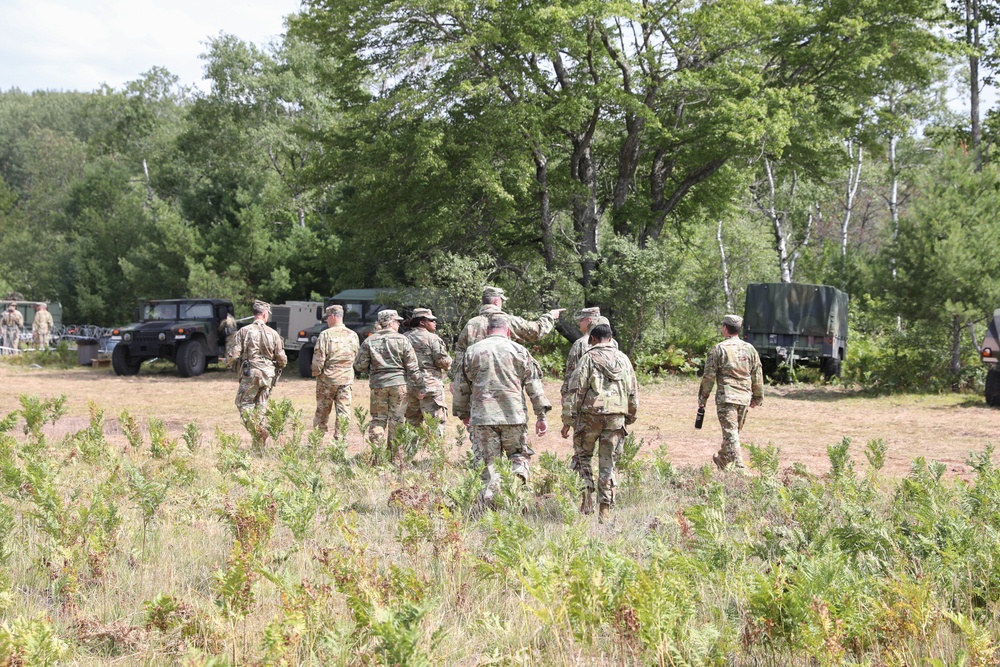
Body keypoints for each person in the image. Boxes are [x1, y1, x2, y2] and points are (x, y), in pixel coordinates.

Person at [453, 313, 551, 508]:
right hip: (513, 416)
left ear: (488, 331)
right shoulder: (520, 351)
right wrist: (541, 415)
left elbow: (461, 387)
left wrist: (463, 413)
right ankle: (517, 486)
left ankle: (491, 505)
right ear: (507, 330)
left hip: (483, 417)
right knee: (518, 455)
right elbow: (534, 386)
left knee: (488, 462)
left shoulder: (472, 351)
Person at [562, 323, 638, 521]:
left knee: (582, 457)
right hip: (616, 417)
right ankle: (604, 510)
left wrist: (568, 420)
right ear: (611, 338)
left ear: (592, 339)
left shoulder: (587, 358)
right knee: (608, 464)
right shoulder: (624, 359)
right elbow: (633, 391)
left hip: (590, 415)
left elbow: (576, 390)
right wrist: (629, 415)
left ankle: (586, 500)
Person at [353, 309, 426, 454]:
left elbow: (359, 365)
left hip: (378, 385)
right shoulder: (402, 340)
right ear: (391, 322)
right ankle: (395, 457)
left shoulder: (370, 340)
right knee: (397, 420)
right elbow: (412, 367)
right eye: (397, 321)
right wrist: (421, 387)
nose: (399, 324)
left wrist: (374, 370)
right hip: (399, 385)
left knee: (378, 420)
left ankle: (378, 456)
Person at [452, 286, 564, 379]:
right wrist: (550, 316)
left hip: (476, 383)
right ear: (497, 301)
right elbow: (536, 331)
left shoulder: (471, 324)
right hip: (504, 380)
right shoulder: (508, 320)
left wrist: (455, 378)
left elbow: (460, 352)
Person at [698, 314, 764, 471]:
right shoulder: (750, 349)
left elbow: (709, 377)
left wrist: (702, 398)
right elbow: (757, 374)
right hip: (744, 398)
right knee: (732, 433)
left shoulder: (719, 349)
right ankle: (724, 459)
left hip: (727, 398)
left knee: (731, 433)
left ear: (725, 328)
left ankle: (738, 468)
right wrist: (758, 396)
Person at [227, 300, 287, 447]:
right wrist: (278, 367)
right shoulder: (273, 334)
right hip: (268, 375)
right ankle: (259, 445)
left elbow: (234, 355)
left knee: (244, 403)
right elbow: (282, 358)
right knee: (261, 406)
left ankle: (258, 431)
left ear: (255, 314)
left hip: (251, 372)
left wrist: (231, 364)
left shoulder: (244, 331)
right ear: (265, 315)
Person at [560, 308, 617, 428]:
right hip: (612, 404)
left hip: (588, 404)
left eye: (581, 320)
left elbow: (572, 373)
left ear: (589, 320)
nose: (579, 323)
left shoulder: (580, 343)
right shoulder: (613, 343)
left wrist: (565, 398)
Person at [312, 304, 360, 439]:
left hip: (327, 379)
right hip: (346, 378)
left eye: (327, 317)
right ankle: (341, 441)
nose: (326, 321)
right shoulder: (353, 335)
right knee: (344, 411)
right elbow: (356, 356)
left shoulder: (325, 334)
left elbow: (319, 358)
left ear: (333, 316)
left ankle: (317, 439)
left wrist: (316, 373)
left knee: (322, 411)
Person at [404, 307, 452, 438]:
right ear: (422, 322)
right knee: (436, 422)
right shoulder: (432, 338)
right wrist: (450, 362)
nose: (434, 322)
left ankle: (408, 454)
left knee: (411, 423)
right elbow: (443, 362)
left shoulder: (403, 338)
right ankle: (436, 455)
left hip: (410, 385)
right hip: (430, 385)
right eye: (431, 320)